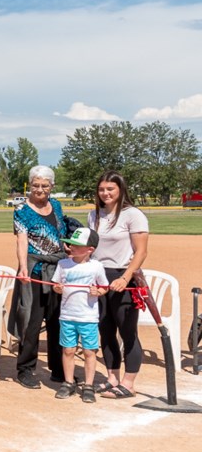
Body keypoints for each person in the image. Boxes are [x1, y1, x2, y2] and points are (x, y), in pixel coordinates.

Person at [10, 165, 73, 390]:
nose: (39, 189)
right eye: (35, 185)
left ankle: (58, 369)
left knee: (57, 320)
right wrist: (22, 267)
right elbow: (21, 240)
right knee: (32, 322)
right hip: (35, 269)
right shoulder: (21, 210)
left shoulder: (56, 205)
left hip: (58, 269)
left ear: (51, 187)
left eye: (44, 185)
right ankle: (25, 368)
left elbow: (61, 234)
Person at [88, 170, 149, 399]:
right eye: (102, 189)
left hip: (124, 276)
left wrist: (125, 278)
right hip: (99, 276)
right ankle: (112, 377)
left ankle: (129, 382)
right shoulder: (94, 215)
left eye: (110, 189)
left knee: (127, 331)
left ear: (120, 190)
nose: (105, 193)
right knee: (105, 330)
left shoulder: (133, 215)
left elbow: (141, 252)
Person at [51, 227, 109, 403]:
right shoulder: (63, 264)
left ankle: (88, 385)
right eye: (70, 244)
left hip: (87, 318)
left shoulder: (96, 266)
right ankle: (68, 382)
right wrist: (58, 288)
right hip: (67, 316)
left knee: (89, 352)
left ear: (90, 249)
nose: (71, 247)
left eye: (76, 245)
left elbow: (104, 287)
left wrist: (97, 292)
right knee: (68, 350)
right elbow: (55, 285)